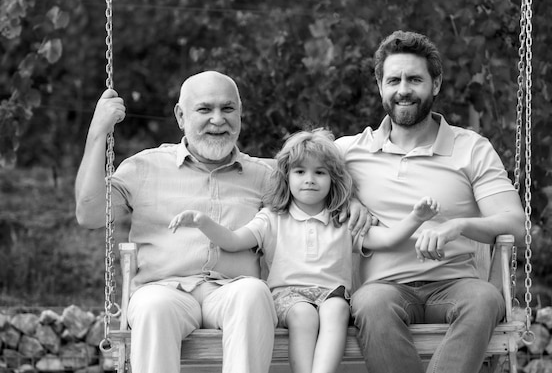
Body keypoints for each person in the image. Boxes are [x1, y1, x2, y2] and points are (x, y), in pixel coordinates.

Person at [168, 128, 441, 373]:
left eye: (319, 172)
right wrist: (202, 222)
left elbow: (387, 240)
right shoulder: (272, 218)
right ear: (286, 177)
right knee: (304, 315)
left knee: (336, 310)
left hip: (333, 293)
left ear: (334, 179)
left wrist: (416, 218)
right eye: (300, 172)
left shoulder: (342, 220)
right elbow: (233, 240)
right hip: (288, 297)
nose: (309, 180)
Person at [334, 31, 526, 373]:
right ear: (380, 86)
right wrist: (347, 198)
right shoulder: (349, 152)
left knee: (484, 299)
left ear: (435, 84)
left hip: (455, 287)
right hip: (385, 289)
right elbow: (293, 176)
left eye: (415, 79)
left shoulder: (472, 148)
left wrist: (459, 225)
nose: (403, 89)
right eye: (393, 79)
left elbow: (517, 225)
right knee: (371, 303)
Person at [74, 71, 278, 373]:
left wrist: (356, 211)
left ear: (240, 113)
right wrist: (97, 133)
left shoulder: (265, 176)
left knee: (253, 293)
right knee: (153, 306)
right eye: (205, 109)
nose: (218, 119)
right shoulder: (145, 167)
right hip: (164, 291)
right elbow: (89, 214)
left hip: (231, 292)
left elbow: (316, 206)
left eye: (228, 108)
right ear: (181, 116)